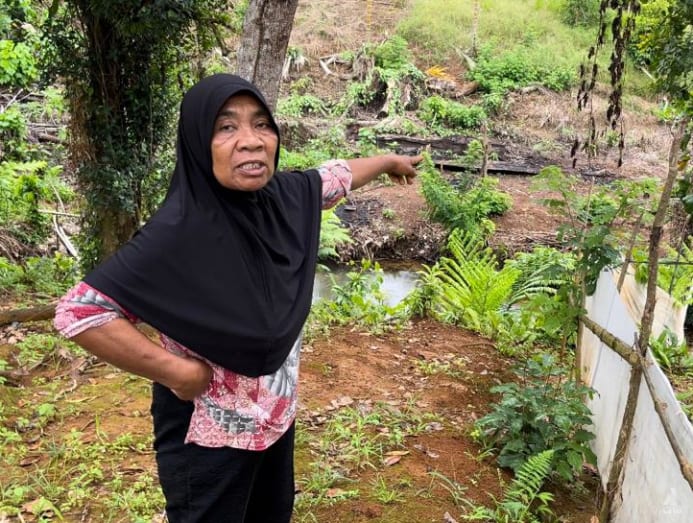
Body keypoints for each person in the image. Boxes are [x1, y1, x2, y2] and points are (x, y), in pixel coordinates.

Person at [53, 73, 421, 522]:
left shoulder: (284, 198)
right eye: (226, 127)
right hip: (210, 438)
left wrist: (387, 161)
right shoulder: (176, 233)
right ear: (198, 143)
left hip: (274, 419)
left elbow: (336, 176)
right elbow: (80, 311)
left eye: (261, 124)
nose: (251, 140)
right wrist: (177, 372)